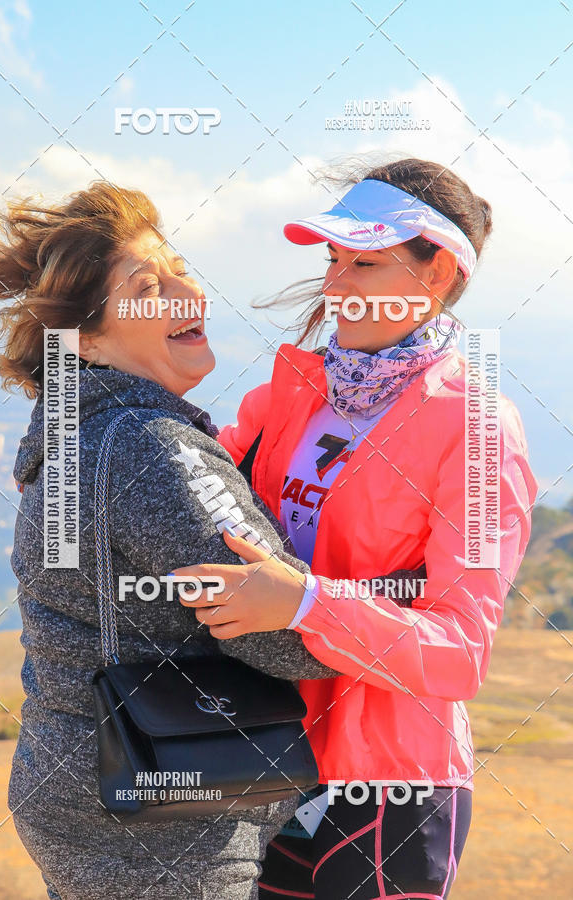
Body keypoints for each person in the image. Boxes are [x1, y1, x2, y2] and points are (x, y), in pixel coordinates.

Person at [172, 158, 539, 899]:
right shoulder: (293, 395)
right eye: (333, 259)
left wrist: (304, 602)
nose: (335, 284)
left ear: (437, 275)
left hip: (387, 789)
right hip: (260, 757)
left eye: (364, 262)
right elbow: (186, 496)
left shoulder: (476, 427)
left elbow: (459, 653)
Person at [0, 182, 345, 900]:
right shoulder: (150, 449)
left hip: (81, 778)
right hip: (162, 805)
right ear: (86, 338)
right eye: (150, 286)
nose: (186, 290)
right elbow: (287, 636)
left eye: (179, 266)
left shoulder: (63, 434)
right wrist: (384, 604)